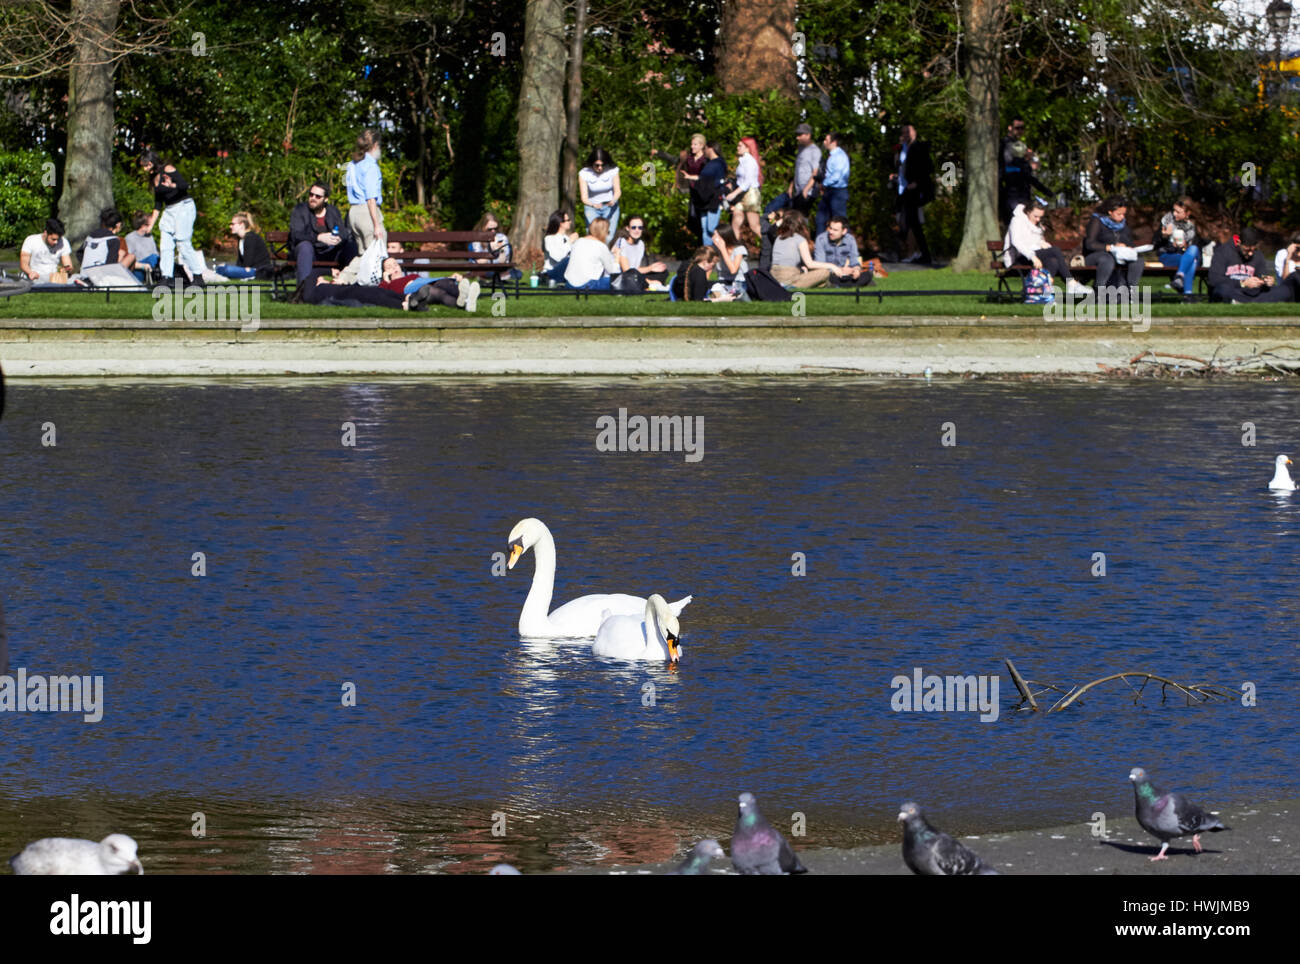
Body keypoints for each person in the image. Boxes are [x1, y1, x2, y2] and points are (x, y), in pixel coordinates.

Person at [140, 149, 205, 283]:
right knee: (165, 245)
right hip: (169, 210)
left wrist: (172, 185)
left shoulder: (168, 169)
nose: (145, 169)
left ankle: (198, 276)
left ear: (152, 162)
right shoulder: (154, 178)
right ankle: (166, 277)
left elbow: (184, 186)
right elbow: (158, 204)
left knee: (183, 243)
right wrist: (151, 225)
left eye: (146, 165)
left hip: (183, 206)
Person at [1003, 201, 1091, 296]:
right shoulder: (1017, 221)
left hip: (1032, 255)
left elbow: (1035, 241)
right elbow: (1017, 243)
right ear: (1028, 211)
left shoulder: (1037, 224)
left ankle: (1042, 289)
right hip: (1018, 257)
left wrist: (1042, 243)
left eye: (1040, 217)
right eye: (1035, 216)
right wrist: (1033, 257)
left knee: (1053, 260)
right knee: (1055, 250)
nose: (1038, 219)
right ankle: (1071, 283)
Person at [289, 180, 358, 284]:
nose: (313, 198)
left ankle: (351, 286)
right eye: (311, 195)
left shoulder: (333, 211)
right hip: (311, 252)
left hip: (331, 251)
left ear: (325, 199)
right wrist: (318, 237)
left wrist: (337, 238)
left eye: (317, 196)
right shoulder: (300, 210)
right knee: (305, 246)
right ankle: (304, 289)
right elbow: (296, 235)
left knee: (351, 246)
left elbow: (344, 232)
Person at [1208, 227, 1300, 303]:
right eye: (1247, 250)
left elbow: (1262, 274)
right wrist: (1242, 283)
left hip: (1252, 293)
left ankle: (1243, 302)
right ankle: (1239, 301)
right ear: (1239, 242)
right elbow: (1214, 279)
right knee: (1222, 289)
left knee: (1283, 291)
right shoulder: (1223, 252)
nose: (1251, 253)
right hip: (1234, 290)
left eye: (1253, 250)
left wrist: (1266, 281)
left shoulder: (1257, 254)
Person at [891, 123, 935, 265]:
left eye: (908, 132)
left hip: (915, 190)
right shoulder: (905, 150)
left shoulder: (918, 148)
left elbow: (928, 168)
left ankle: (923, 253)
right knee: (909, 222)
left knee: (912, 223)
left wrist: (917, 183)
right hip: (906, 189)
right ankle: (922, 253)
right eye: (904, 133)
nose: (906, 135)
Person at [1082, 195, 1145, 292]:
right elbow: (1090, 244)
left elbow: (1129, 241)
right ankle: (1099, 290)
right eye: (1119, 214)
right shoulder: (1097, 221)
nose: (1122, 217)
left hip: (1119, 256)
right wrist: (1111, 247)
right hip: (1097, 255)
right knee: (1107, 259)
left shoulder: (1123, 224)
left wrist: (1128, 248)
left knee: (1138, 260)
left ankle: (1131, 291)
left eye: (1124, 214)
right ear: (1110, 212)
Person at [654, 134, 707, 241]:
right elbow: (674, 159)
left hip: (703, 192)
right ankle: (700, 241)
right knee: (692, 219)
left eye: (695, 144)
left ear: (702, 145)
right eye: (691, 144)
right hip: (690, 190)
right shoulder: (689, 158)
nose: (692, 147)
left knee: (702, 220)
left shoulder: (706, 160)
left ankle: (706, 245)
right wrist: (659, 153)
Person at [379, 257, 481, 312]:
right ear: (385, 272)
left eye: (395, 264)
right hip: (416, 293)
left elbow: (428, 281)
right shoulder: (387, 285)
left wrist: (450, 277)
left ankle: (466, 301)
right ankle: (467, 300)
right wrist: (386, 280)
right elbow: (381, 293)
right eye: (389, 267)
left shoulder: (412, 276)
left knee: (443, 283)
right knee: (437, 292)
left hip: (425, 285)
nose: (394, 267)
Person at [769, 210, 840, 288]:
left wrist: (800, 270)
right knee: (824, 272)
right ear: (800, 223)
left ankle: (827, 285)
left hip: (774, 277)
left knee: (818, 280)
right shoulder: (800, 239)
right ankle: (830, 286)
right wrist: (832, 266)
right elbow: (810, 264)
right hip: (790, 279)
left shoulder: (779, 237)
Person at [345, 128, 385, 252]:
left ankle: (346, 273)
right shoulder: (370, 166)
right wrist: (376, 225)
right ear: (375, 145)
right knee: (378, 253)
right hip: (367, 211)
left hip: (353, 212)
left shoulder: (352, 164)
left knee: (364, 256)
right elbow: (371, 198)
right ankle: (347, 273)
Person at [813, 216, 877, 286]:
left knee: (867, 274)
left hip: (845, 274)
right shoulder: (821, 239)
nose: (831, 232)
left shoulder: (850, 240)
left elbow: (854, 261)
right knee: (828, 277)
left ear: (844, 231)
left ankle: (843, 284)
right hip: (829, 273)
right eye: (830, 228)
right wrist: (838, 269)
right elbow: (820, 264)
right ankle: (859, 283)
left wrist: (856, 270)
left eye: (835, 230)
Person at [1156, 197, 1199, 296]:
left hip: (1184, 256)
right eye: (1174, 210)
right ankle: (1187, 294)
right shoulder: (1166, 221)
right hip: (1167, 255)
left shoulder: (1191, 226)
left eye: (1178, 212)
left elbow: (1192, 249)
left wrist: (1185, 245)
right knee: (1192, 261)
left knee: (1194, 250)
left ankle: (1179, 276)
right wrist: (1164, 236)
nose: (1174, 214)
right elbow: (1156, 243)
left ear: (1187, 213)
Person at [209, 212, 272, 281]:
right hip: (247, 270)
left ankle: (226, 276)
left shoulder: (250, 237)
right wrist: (238, 270)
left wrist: (238, 271)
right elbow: (240, 262)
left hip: (258, 271)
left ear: (242, 224)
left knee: (224, 269)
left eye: (233, 224)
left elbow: (248, 263)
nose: (230, 226)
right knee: (221, 267)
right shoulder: (241, 239)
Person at [724, 137, 764, 239]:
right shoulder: (743, 160)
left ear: (748, 148)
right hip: (741, 194)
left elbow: (747, 182)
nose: (737, 148)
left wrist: (734, 194)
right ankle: (736, 249)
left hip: (750, 195)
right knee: (736, 221)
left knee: (754, 226)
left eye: (740, 146)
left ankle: (770, 247)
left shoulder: (750, 162)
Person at [563, 217, 618, 291]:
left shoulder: (578, 241)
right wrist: (616, 257)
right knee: (615, 280)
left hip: (569, 284)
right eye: (608, 232)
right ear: (603, 232)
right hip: (587, 285)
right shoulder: (601, 246)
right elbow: (612, 271)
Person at [578, 148, 621, 239]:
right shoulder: (584, 173)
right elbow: (584, 198)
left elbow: (617, 191)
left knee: (608, 237)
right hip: (592, 207)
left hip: (610, 206)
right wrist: (593, 205)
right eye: (597, 165)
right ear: (592, 163)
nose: (600, 168)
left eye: (603, 165)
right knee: (593, 237)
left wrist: (613, 200)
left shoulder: (613, 170)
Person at [79, 207, 135, 272]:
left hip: (85, 273)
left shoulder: (90, 236)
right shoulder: (114, 240)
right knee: (131, 256)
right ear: (118, 225)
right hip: (100, 277)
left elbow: (79, 254)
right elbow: (111, 264)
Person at [693, 141, 727, 245]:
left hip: (713, 199)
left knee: (711, 228)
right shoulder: (709, 163)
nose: (704, 151)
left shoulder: (719, 163)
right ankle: (708, 254)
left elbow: (718, 181)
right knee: (705, 229)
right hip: (704, 199)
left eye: (705, 149)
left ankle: (724, 248)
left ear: (711, 148)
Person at [19, 218, 75, 283]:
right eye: (53, 239)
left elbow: (68, 265)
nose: (56, 242)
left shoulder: (64, 242)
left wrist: (66, 269)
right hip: (35, 276)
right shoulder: (31, 240)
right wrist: (30, 272)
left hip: (53, 277)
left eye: (58, 239)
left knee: (76, 278)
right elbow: (23, 264)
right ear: (45, 233)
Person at [816, 131, 849, 236]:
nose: (824, 142)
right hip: (829, 191)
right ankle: (820, 244)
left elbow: (836, 176)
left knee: (840, 221)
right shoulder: (831, 155)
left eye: (827, 140)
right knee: (821, 219)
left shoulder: (839, 156)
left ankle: (846, 247)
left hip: (837, 192)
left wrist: (824, 183)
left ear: (833, 142)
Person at [471, 212, 519, 282]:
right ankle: (500, 277)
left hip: (499, 268)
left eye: (495, 228)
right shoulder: (477, 239)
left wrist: (500, 250)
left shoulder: (501, 237)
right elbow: (479, 262)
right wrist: (491, 253)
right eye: (489, 229)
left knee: (517, 273)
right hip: (484, 269)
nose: (493, 231)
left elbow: (503, 261)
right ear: (483, 227)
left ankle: (496, 278)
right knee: (490, 272)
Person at [711, 223, 752, 296]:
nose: (713, 238)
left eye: (715, 235)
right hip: (723, 281)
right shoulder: (716, 249)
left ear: (724, 237)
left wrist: (723, 250)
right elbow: (708, 267)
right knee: (713, 291)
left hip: (739, 281)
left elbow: (733, 270)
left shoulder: (739, 249)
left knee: (731, 295)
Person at [542, 210, 579, 285]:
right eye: (568, 220)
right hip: (552, 272)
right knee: (568, 260)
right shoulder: (549, 239)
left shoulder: (566, 238)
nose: (570, 222)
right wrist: (570, 242)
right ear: (560, 223)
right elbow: (557, 257)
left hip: (567, 272)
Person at [126, 213, 160, 283]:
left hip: (152, 266)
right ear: (143, 225)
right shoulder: (130, 238)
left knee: (155, 257)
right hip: (138, 268)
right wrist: (143, 266)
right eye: (150, 225)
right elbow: (128, 260)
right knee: (153, 257)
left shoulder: (150, 236)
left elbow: (156, 255)